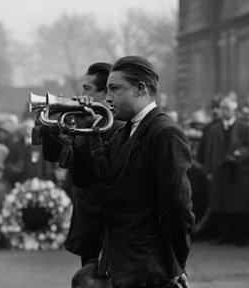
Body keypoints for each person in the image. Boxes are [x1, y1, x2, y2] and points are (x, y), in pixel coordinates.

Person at [68, 56, 194, 288]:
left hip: (148, 266)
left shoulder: (164, 132)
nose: (107, 98)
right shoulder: (122, 132)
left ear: (140, 89)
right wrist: (88, 133)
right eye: (106, 90)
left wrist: (177, 264)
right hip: (124, 262)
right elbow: (88, 179)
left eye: (115, 89)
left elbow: (177, 206)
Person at [41, 62, 122, 267]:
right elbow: (54, 155)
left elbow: (87, 173)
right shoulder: (82, 120)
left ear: (105, 94)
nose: (80, 95)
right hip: (88, 217)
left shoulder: (117, 125)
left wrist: (89, 123)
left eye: (87, 89)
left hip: (107, 219)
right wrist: (49, 121)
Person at [199, 97, 249, 246]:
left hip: (239, 170)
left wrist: (239, 153)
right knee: (221, 203)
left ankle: (239, 236)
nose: (225, 112)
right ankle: (224, 235)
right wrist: (209, 171)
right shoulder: (213, 129)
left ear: (234, 110)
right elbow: (209, 151)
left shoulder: (245, 127)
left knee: (239, 204)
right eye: (223, 108)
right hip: (220, 171)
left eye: (228, 109)